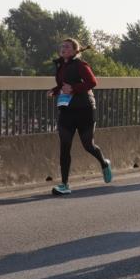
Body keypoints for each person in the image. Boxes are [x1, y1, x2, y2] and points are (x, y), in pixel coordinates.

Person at [50, 38, 112, 195]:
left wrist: (74, 88)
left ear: (75, 50)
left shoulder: (81, 65)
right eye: (62, 46)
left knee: (88, 145)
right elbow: (64, 84)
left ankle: (104, 163)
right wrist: (55, 90)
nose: (63, 48)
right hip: (67, 111)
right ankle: (64, 184)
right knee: (65, 145)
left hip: (84, 109)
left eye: (67, 46)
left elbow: (92, 82)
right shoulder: (60, 65)